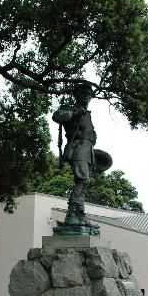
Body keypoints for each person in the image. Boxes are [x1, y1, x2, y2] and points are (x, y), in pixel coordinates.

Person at [52, 81, 97, 227]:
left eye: (88, 94)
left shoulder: (88, 114)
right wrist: (75, 113)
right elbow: (57, 116)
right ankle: (71, 213)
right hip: (77, 148)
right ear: (76, 94)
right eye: (83, 93)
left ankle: (81, 214)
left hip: (88, 150)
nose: (86, 96)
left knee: (83, 182)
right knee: (83, 179)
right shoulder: (71, 109)